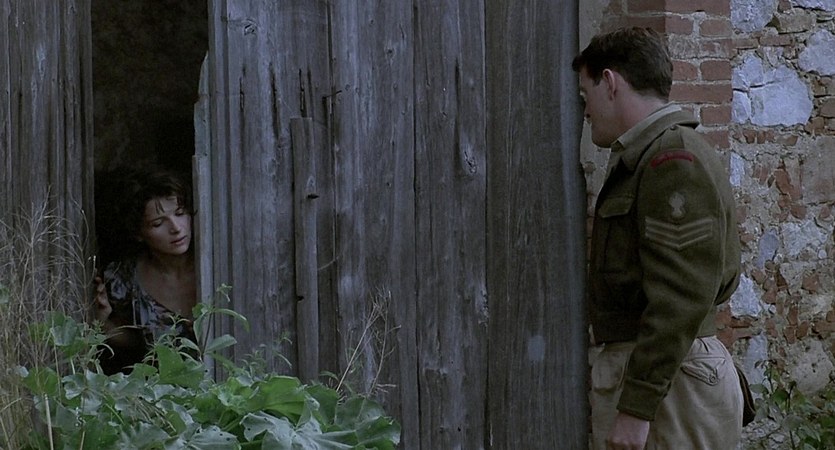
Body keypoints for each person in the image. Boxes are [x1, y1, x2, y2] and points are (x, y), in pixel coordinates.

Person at [573, 27, 743, 449]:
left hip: (672, 388)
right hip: (667, 379)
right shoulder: (648, 156)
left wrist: (637, 408)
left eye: (585, 95)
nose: (586, 111)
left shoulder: (671, 160)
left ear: (610, 82)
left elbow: (680, 297)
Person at [92, 166, 197, 374]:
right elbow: (135, 342)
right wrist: (102, 321)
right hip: (163, 387)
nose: (176, 228)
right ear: (138, 233)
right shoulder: (124, 278)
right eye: (158, 223)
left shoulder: (217, 264)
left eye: (180, 213)